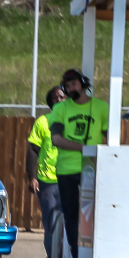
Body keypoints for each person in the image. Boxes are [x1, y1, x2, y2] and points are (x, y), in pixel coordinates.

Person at [46, 68, 109, 220]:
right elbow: (56, 139)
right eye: (68, 86)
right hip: (66, 169)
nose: (71, 89)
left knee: (93, 213)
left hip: (91, 167)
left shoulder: (101, 107)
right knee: (70, 214)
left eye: (74, 84)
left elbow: (111, 138)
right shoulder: (60, 108)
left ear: (83, 84)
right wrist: (83, 148)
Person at [26, 85, 68, 258]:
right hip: (47, 180)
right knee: (50, 221)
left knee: (71, 221)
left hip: (70, 180)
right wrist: (32, 177)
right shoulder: (43, 122)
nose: (59, 100)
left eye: (62, 97)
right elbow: (33, 150)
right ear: (50, 102)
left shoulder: (74, 122)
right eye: (55, 97)